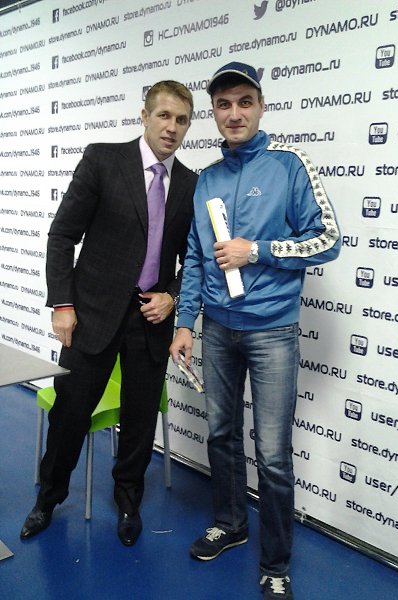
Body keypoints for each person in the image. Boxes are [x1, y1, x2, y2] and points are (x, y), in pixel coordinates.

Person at [169, 62, 341, 599]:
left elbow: (327, 240)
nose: (235, 113)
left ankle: (277, 562)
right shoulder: (207, 179)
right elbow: (196, 257)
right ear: (214, 113)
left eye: (245, 102)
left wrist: (257, 250)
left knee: (272, 454)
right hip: (219, 330)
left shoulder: (290, 165)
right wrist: (185, 322)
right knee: (221, 435)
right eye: (224, 105)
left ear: (261, 106)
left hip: (272, 333)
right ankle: (230, 523)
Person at [21, 80, 198, 546]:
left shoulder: (190, 184)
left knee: (139, 423)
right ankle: (48, 498)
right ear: (144, 116)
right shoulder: (103, 160)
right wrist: (62, 304)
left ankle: (128, 501)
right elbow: (62, 235)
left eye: (181, 120)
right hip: (92, 316)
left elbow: (193, 261)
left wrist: (172, 296)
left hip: (151, 322)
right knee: (70, 416)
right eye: (164, 115)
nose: (172, 127)